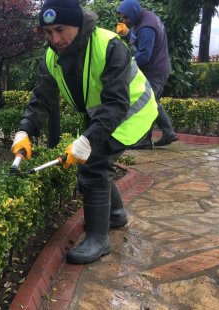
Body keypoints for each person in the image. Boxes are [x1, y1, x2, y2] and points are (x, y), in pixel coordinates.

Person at [10, 0, 158, 265]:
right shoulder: (52, 57)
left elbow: (116, 103)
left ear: (77, 24)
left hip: (131, 112)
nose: (54, 39)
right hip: (106, 113)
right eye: (47, 32)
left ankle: (98, 240)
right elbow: (41, 98)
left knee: (92, 165)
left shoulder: (110, 45)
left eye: (60, 29)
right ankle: (116, 214)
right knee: (93, 159)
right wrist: (24, 131)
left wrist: (88, 140)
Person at [117, 0, 178, 148]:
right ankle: (169, 132)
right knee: (152, 100)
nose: (124, 21)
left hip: (155, 70)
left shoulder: (146, 27)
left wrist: (128, 67)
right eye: (122, 18)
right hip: (157, 67)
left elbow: (144, 55)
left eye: (126, 18)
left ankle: (144, 140)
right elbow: (137, 38)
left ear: (133, 13)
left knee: (146, 103)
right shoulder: (144, 17)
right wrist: (127, 33)